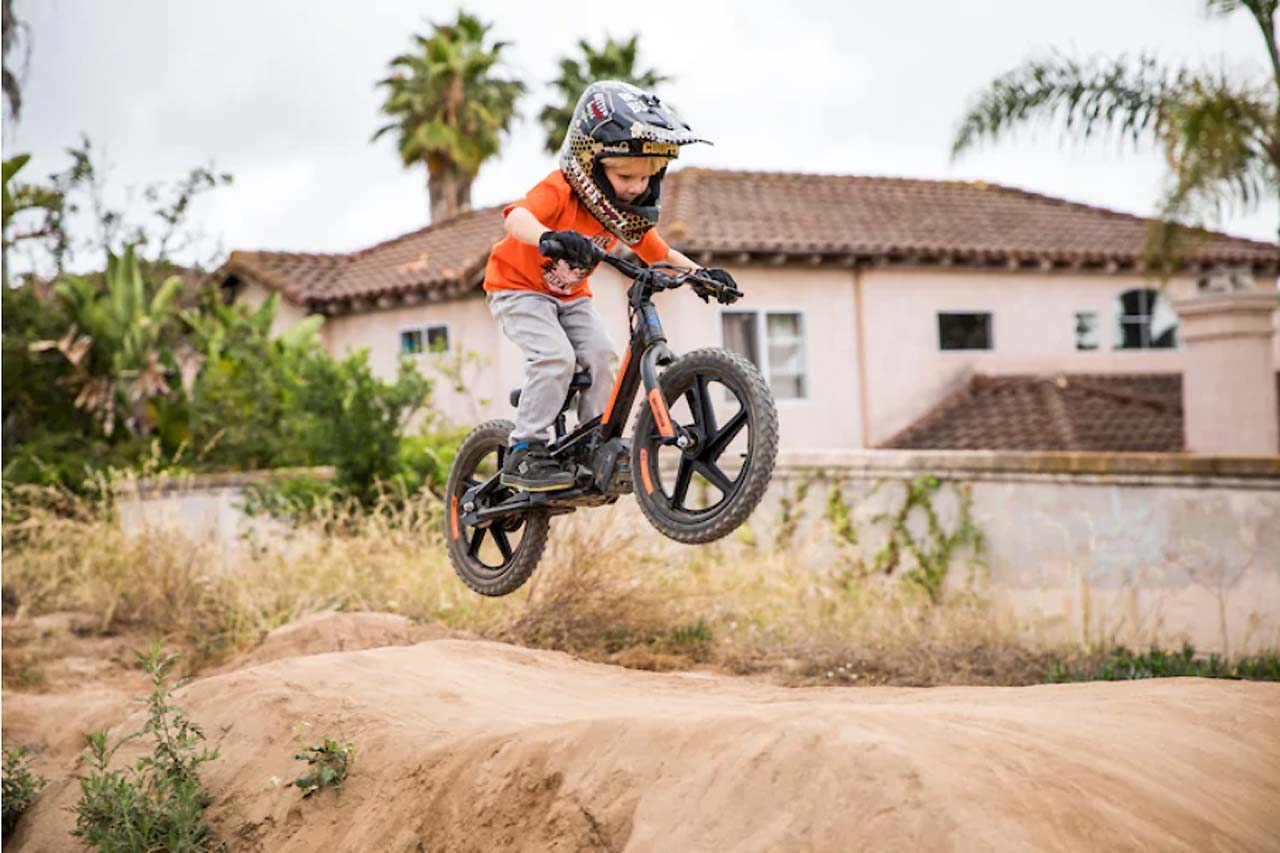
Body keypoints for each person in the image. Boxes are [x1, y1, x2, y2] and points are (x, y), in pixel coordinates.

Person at [483, 80, 737, 491]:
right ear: (591, 160)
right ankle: (525, 450)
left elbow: (660, 253)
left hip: (570, 297)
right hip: (518, 288)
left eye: (647, 177)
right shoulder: (561, 189)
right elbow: (516, 217)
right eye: (625, 175)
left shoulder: (620, 214)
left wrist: (701, 275)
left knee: (603, 356)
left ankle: (589, 443)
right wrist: (547, 237)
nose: (637, 187)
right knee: (555, 358)